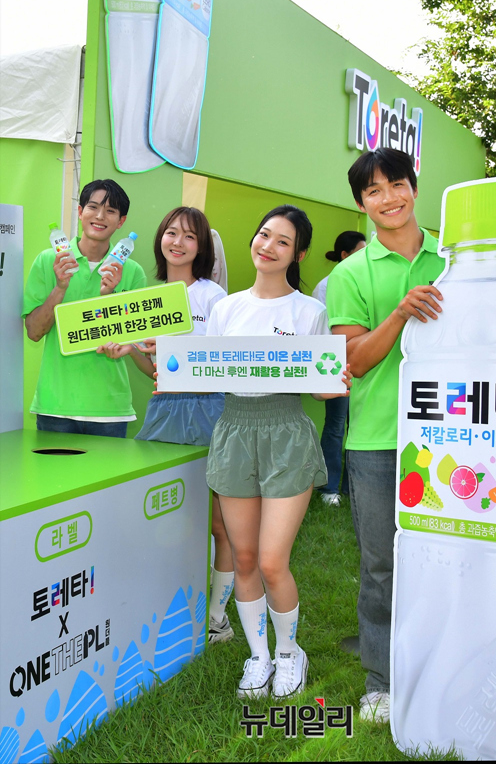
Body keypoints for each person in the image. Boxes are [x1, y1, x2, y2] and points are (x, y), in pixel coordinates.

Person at [326, 148, 496, 723]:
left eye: (397, 184)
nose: (389, 198)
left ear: (414, 187)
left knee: (461, 557)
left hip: (461, 438)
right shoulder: (351, 273)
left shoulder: (459, 258)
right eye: (374, 191)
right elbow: (352, 360)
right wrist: (400, 313)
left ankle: (458, 667)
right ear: (361, 203)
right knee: (382, 566)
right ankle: (382, 679)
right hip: (380, 441)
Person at [205, 205, 352, 700]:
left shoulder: (308, 311)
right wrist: (165, 365)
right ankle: (259, 656)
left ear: (298, 254)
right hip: (234, 431)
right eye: (264, 234)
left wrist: (338, 381)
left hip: (286, 432)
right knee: (244, 556)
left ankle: (290, 654)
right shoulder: (225, 308)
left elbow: (321, 386)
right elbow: (204, 370)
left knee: (271, 561)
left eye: (282, 241)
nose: (268, 246)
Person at [99, 206, 236, 644]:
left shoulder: (213, 297)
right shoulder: (150, 297)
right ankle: (163, 604)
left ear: (202, 247)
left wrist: (176, 353)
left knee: (219, 522)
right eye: (172, 233)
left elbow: (222, 364)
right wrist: (131, 351)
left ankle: (217, 618)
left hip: (209, 409)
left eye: (189, 236)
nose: (178, 242)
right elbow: (153, 369)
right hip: (163, 409)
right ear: (161, 238)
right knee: (162, 513)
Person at [22, 179, 146, 438]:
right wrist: (60, 288)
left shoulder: (132, 271)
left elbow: (133, 340)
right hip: (56, 407)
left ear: (121, 221)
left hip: (110, 409)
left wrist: (109, 297)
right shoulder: (49, 260)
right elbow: (33, 332)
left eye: (110, 211)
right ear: (80, 212)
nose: (100, 216)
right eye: (93, 207)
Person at [312, 230, 366, 506]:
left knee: (357, 426)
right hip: (335, 367)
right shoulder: (326, 286)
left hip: (364, 364)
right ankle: (329, 487)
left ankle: (351, 487)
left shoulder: (364, 281)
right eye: (359, 252)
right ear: (344, 255)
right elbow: (324, 334)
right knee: (335, 426)